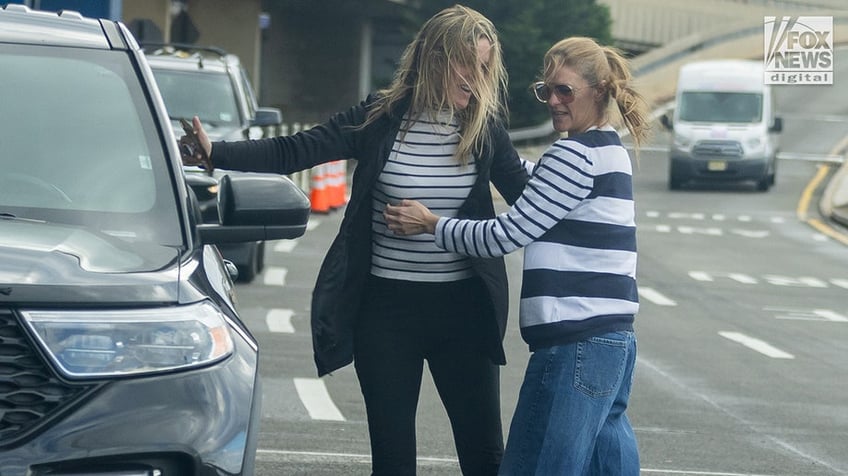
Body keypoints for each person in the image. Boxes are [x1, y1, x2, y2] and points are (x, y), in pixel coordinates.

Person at [179, 5, 529, 475]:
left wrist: (585, 174)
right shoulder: (380, 118)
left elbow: (534, 208)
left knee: (485, 456)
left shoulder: (484, 131)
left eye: (485, 67)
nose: (476, 79)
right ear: (434, 59)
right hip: (385, 313)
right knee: (392, 460)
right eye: (467, 64)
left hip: (463, 311)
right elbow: (296, 149)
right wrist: (216, 153)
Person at [384, 36, 651, 475]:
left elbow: (506, 234)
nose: (554, 101)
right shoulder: (610, 152)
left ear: (599, 90)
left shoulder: (574, 155)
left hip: (573, 346)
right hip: (612, 343)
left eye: (565, 90)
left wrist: (431, 224)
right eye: (547, 90)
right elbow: (539, 182)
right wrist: (485, 151)